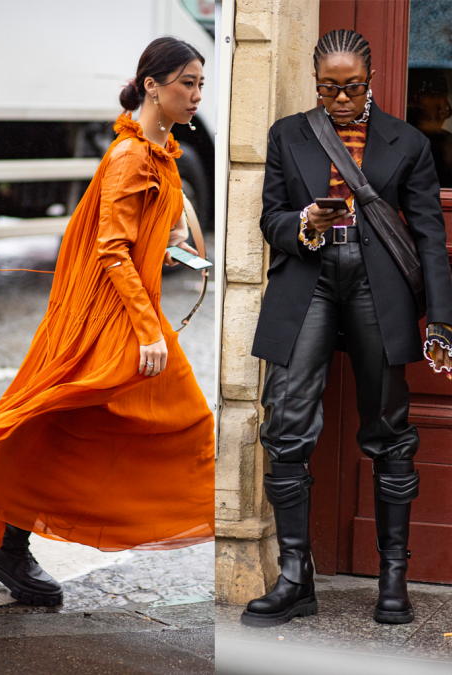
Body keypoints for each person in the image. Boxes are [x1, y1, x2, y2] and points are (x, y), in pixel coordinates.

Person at [0, 37, 216, 607]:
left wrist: (172, 238)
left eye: (201, 84)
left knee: (74, 417)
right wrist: (147, 330)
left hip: (127, 307)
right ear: (152, 84)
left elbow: (138, 237)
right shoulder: (132, 156)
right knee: (107, 417)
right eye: (188, 82)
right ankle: (7, 539)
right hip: (114, 314)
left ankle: (7, 545)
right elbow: (111, 249)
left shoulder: (158, 148)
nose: (197, 94)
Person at [241, 29, 452, 628]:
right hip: (307, 276)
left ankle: (393, 579)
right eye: (328, 88)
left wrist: (441, 317)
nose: (339, 99)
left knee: (388, 427)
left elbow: (430, 235)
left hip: (376, 285)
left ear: (371, 83)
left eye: (350, 88)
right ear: (316, 83)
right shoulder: (288, 133)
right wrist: (302, 221)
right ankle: (293, 577)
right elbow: (269, 217)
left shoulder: (406, 142)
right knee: (286, 423)